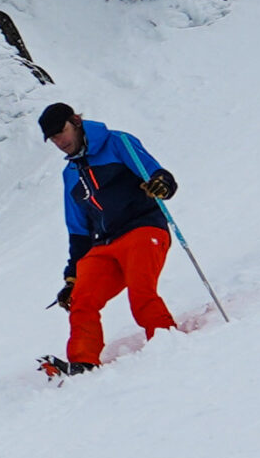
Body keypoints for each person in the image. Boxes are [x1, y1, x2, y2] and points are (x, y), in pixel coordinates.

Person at [37, 102, 178, 375]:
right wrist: (71, 278)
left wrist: (161, 184)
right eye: (53, 138)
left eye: (61, 132)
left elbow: (157, 174)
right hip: (104, 244)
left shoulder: (117, 142)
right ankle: (83, 362)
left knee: (141, 293)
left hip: (143, 229)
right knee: (82, 299)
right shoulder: (70, 175)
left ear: (76, 121)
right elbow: (78, 230)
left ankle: (167, 342)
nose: (59, 141)